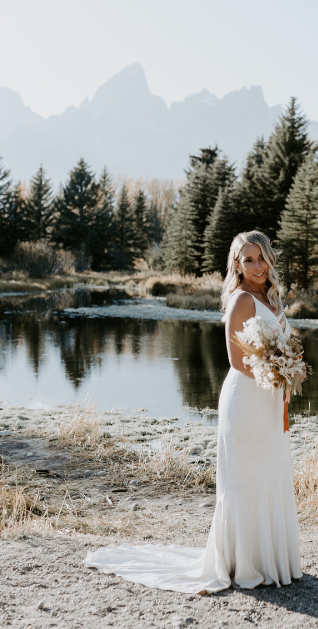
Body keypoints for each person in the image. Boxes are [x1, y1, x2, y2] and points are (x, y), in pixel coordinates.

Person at [84, 230, 302, 593]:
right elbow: (236, 360)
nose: (257, 266)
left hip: (271, 398)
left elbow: (281, 346)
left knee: (272, 473)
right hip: (247, 398)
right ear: (237, 264)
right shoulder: (241, 300)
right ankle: (243, 565)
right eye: (249, 259)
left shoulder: (272, 297)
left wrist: (286, 379)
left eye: (261, 257)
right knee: (246, 478)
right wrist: (277, 373)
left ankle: (272, 562)